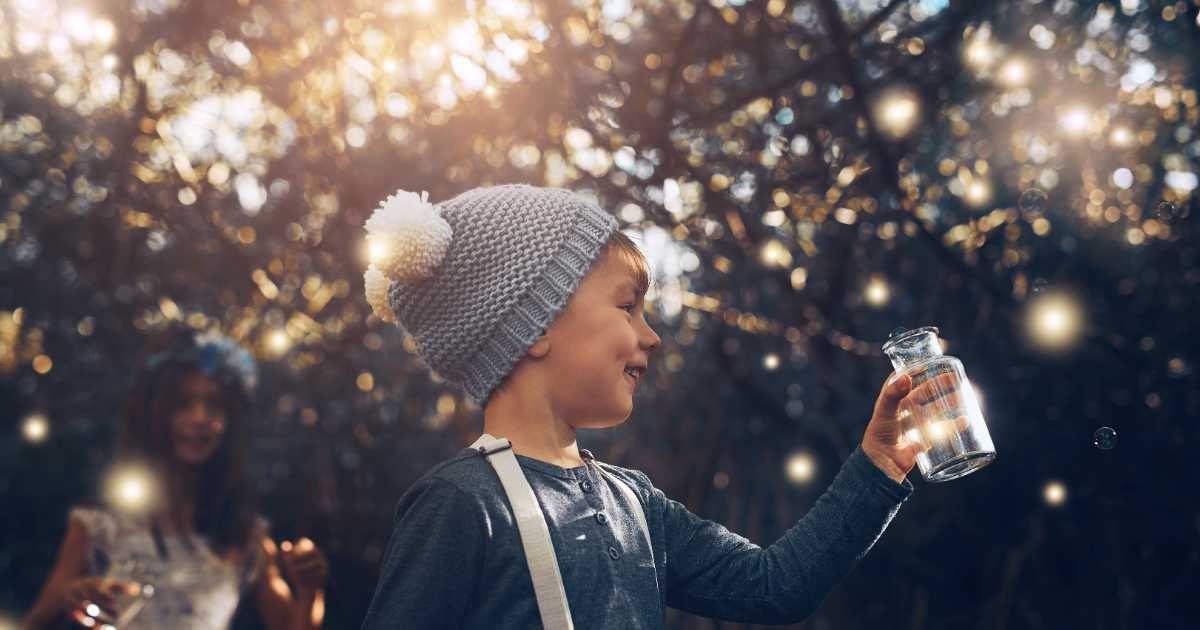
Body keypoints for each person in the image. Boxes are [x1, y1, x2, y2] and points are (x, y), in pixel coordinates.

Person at [357, 185, 932, 628]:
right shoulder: (461, 504)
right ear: (535, 324)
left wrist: (879, 464)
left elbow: (774, 586)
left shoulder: (634, 502)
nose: (652, 336)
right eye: (627, 308)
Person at [23, 326, 329, 630]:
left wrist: (309, 590)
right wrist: (69, 597)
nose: (199, 418)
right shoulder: (99, 526)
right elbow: (34, 624)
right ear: (154, 413)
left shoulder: (244, 536)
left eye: (214, 405)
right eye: (182, 404)